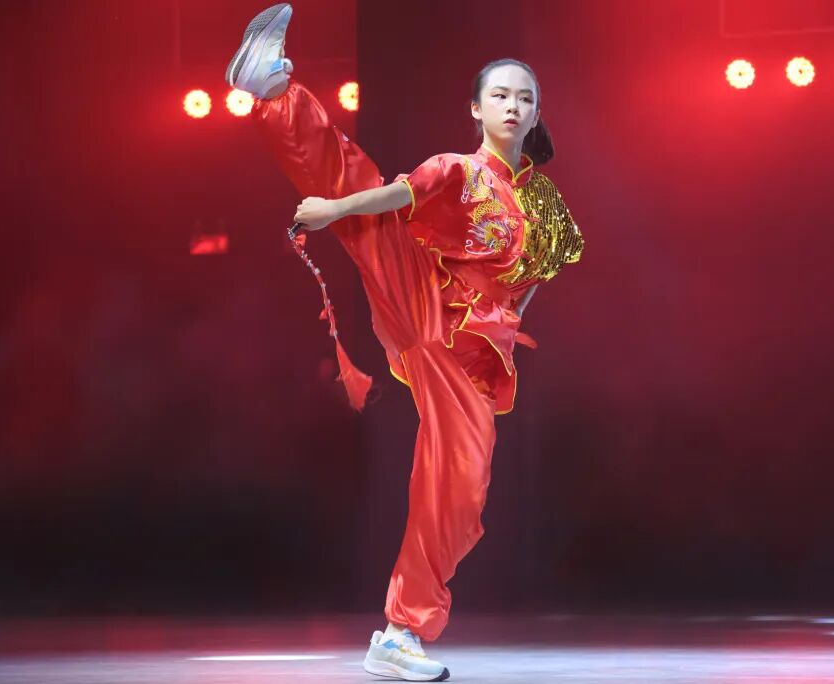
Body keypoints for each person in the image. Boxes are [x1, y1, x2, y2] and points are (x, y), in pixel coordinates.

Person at [226, 4, 584, 680]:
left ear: (537, 113)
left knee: (461, 490)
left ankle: (398, 633)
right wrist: (332, 211)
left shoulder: (547, 208)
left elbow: (530, 286)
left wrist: (503, 334)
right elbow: (392, 194)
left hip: (474, 351)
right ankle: (274, 89)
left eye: (524, 98)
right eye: (500, 95)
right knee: (371, 211)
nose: (513, 106)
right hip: (428, 305)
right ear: (476, 109)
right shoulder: (457, 168)